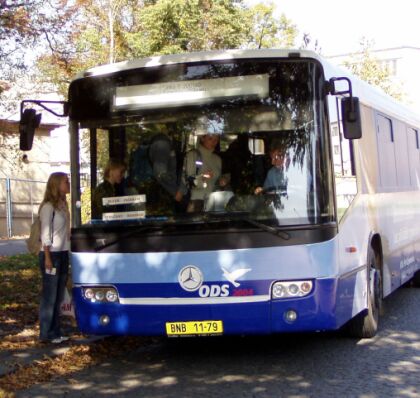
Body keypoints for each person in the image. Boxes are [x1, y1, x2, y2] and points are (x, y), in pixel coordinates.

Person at [38, 172, 71, 344]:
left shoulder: (63, 205)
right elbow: (45, 233)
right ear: (56, 184)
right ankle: (46, 332)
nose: (69, 184)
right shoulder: (48, 207)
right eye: (66, 182)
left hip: (63, 253)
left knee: (59, 295)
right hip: (51, 255)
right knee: (50, 295)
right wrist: (48, 258)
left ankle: (56, 331)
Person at [183, 133, 225, 212]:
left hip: (214, 202)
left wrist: (222, 180)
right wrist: (203, 178)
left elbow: (218, 180)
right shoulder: (192, 155)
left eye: (216, 140)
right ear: (202, 138)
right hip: (197, 202)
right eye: (210, 139)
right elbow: (188, 181)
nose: (213, 142)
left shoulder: (217, 159)